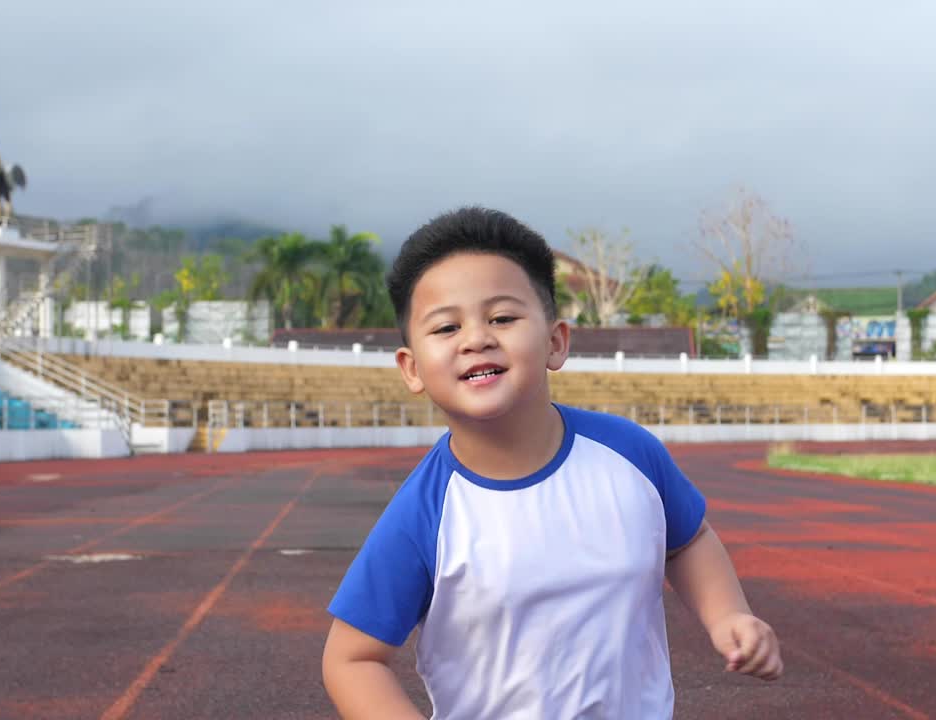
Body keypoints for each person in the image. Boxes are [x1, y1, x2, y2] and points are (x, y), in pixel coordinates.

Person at [321, 207, 782, 719]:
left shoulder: (630, 455)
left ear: (556, 341)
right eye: (447, 326)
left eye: (502, 317)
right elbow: (351, 658)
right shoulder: (425, 513)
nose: (476, 338)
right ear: (411, 369)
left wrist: (729, 616)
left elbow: (688, 540)